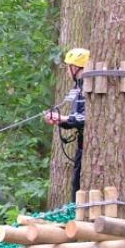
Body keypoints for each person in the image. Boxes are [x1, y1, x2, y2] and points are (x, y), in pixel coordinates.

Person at [44, 47, 90, 201]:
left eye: (68, 67)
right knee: (76, 185)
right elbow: (74, 118)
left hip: (89, 148)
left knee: (79, 187)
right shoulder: (78, 86)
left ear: (75, 67)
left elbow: (83, 119)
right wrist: (60, 120)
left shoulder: (87, 87)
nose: (67, 71)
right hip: (83, 145)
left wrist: (62, 119)